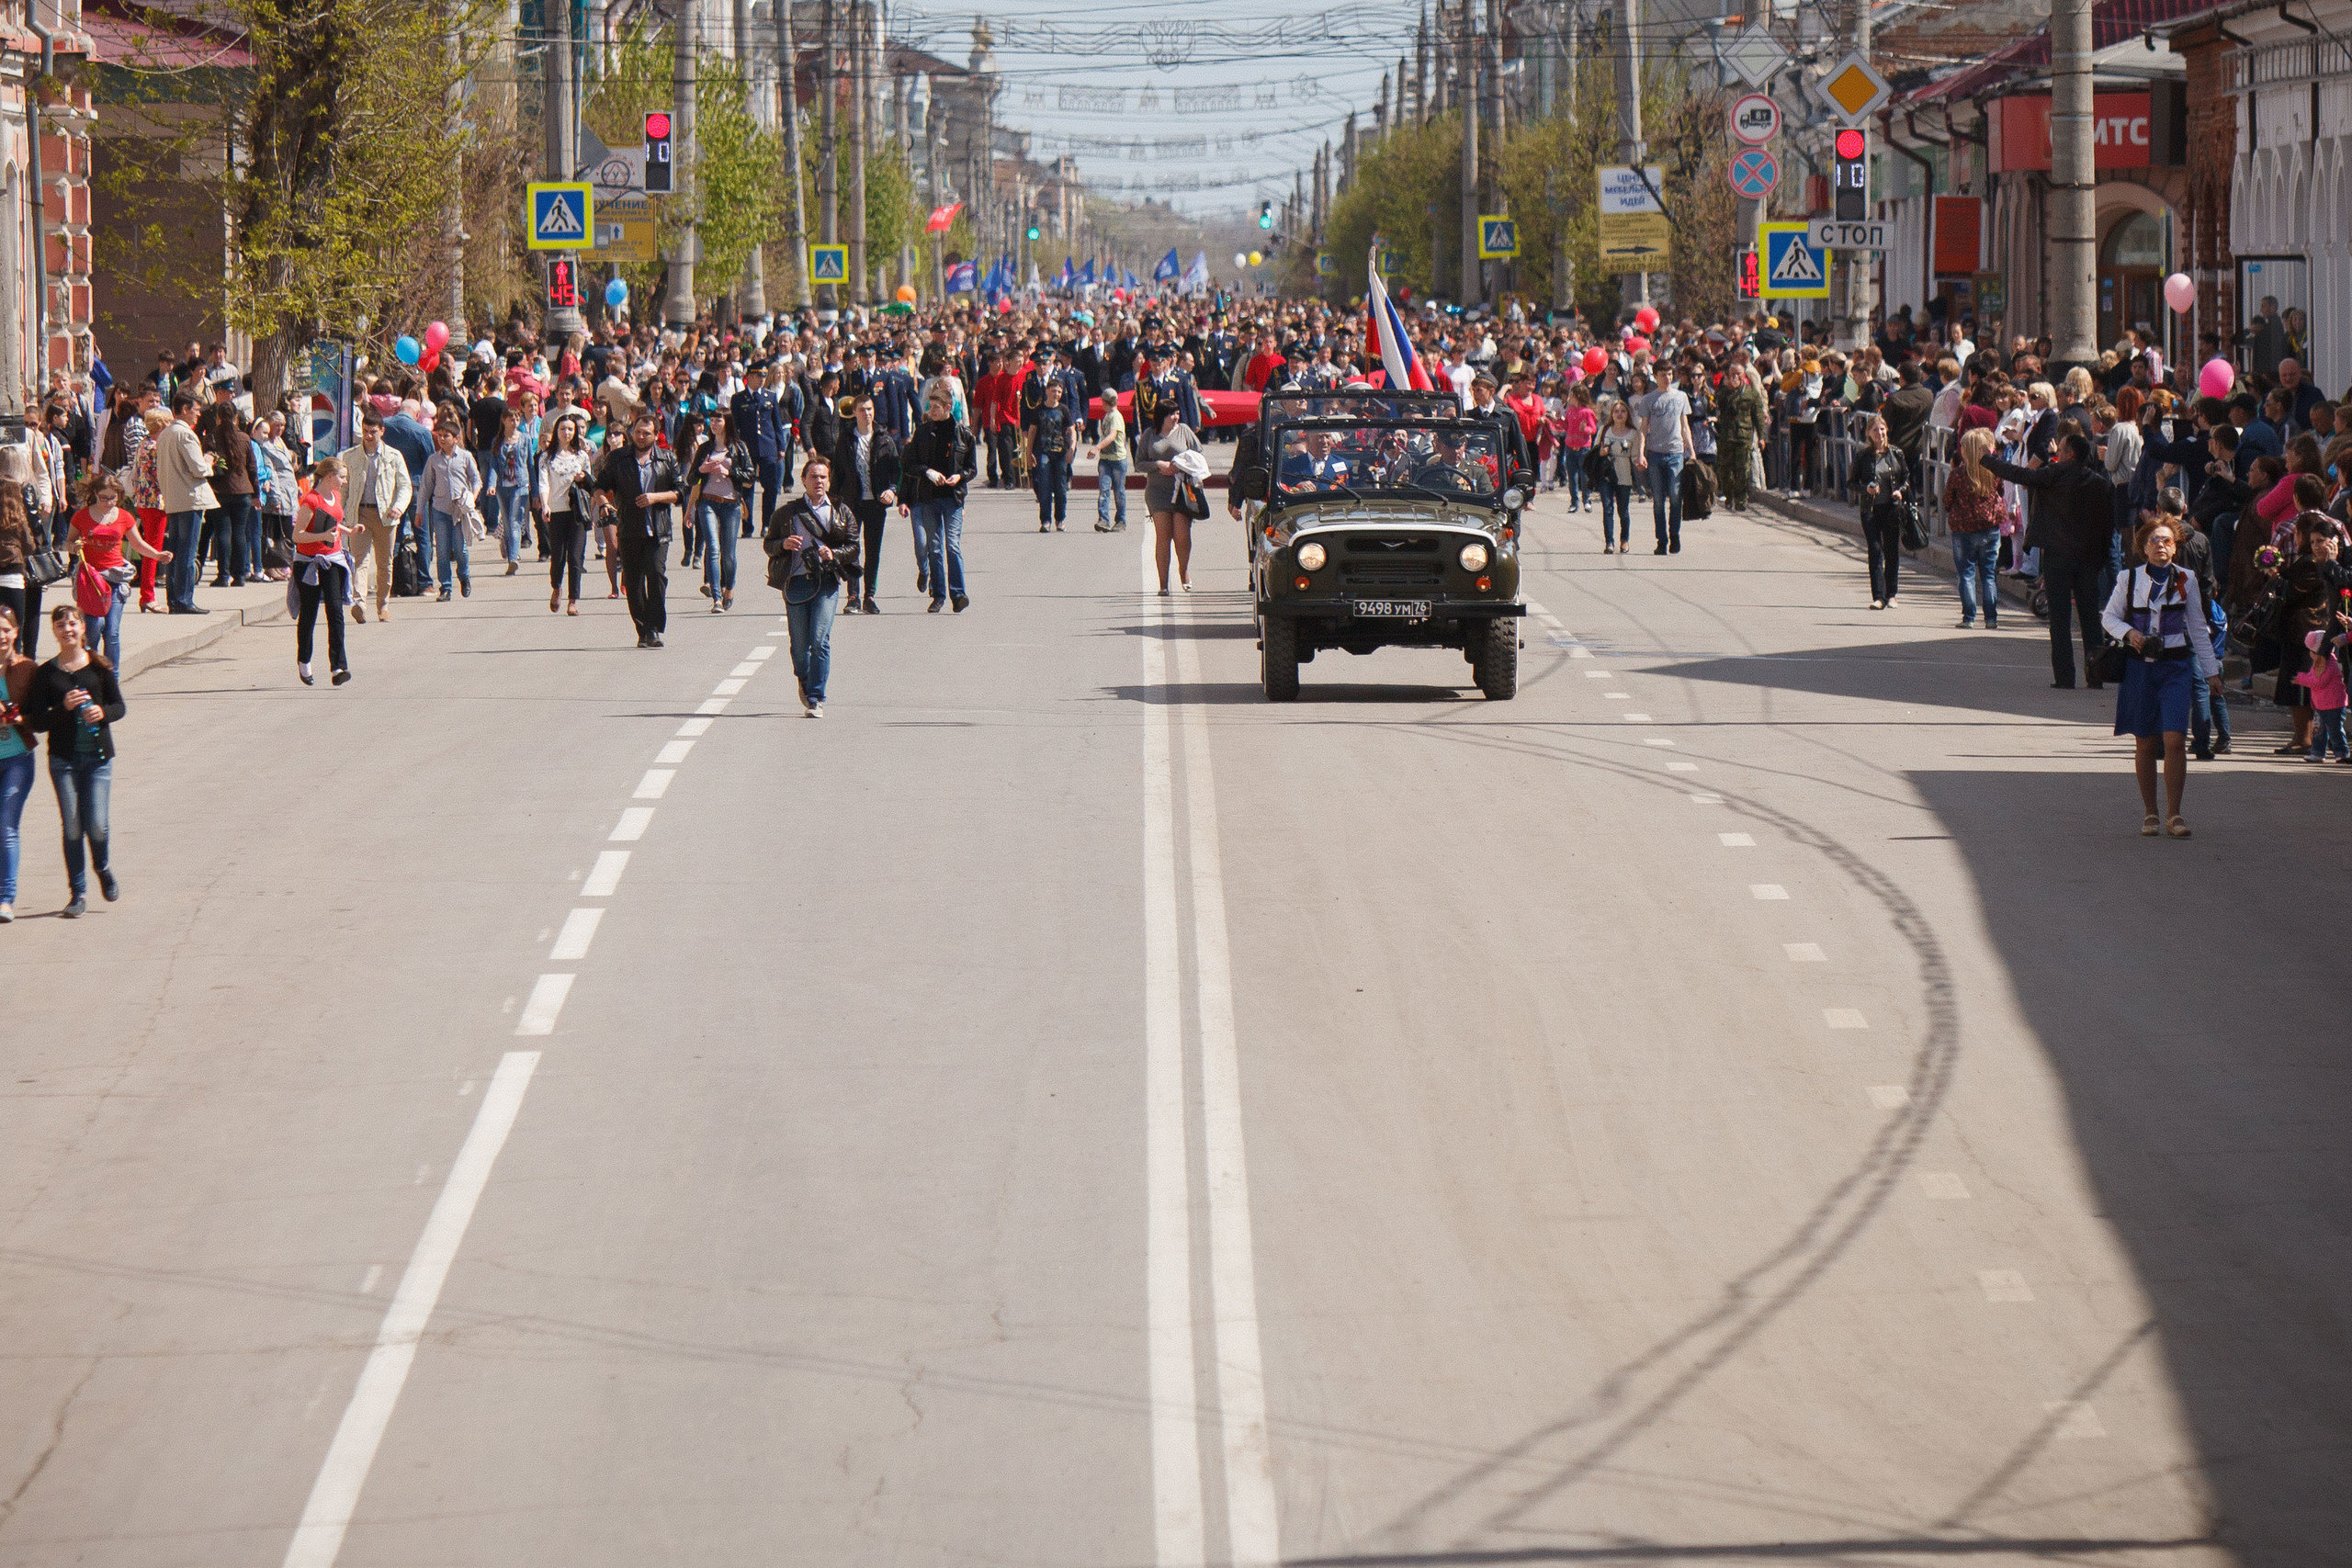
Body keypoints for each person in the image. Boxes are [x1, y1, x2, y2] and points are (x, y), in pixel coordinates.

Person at [2100, 516, 2221, 837]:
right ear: (2143, 547)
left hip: (2176, 667)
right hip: (2140, 668)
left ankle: (2174, 814)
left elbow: (2197, 627)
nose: (2160, 547)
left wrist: (2212, 672)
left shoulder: (2187, 579)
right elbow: (2109, 618)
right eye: (2154, 541)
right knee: (2145, 742)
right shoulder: (2128, 579)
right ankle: (2150, 813)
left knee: (2175, 740)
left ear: (2175, 547)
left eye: (2167, 541)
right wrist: (2130, 635)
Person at [1984, 432, 2116, 688]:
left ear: (2070, 454)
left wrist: (1988, 460)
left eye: (2062, 448)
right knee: (2090, 618)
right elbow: (2107, 526)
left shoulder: (2053, 475)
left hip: (2058, 557)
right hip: (2088, 559)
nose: (2058, 452)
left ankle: (2065, 677)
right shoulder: (2100, 483)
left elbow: (2020, 474)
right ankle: (2095, 675)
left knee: (2060, 618)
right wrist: (2100, 557)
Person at [21, 604, 124, 917]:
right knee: (72, 826)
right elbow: (36, 721)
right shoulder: (46, 673)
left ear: (82, 629)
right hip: (63, 759)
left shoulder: (99, 667)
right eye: (61, 625)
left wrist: (103, 713)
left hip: (98, 757)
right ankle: (77, 893)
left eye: (73, 623)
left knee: (96, 823)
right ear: (54, 632)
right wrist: (62, 707)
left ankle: (103, 868)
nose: (68, 629)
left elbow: (119, 706)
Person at [764, 454, 855, 715]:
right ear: (803, 480)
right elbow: (769, 544)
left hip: (826, 582)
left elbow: (853, 546)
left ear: (829, 481)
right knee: (799, 644)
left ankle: (816, 697)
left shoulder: (841, 511)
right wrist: (783, 544)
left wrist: (833, 554)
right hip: (795, 583)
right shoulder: (787, 513)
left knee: (820, 639)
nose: (818, 481)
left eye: (823, 477)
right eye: (813, 476)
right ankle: (804, 678)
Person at [597, 413, 683, 648]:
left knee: (656, 576)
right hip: (629, 529)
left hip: (658, 530)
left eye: (647, 433)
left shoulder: (667, 459)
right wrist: (604, 502)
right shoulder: (618, 459)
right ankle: (642, 630)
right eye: (638, 432)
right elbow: (600, 486)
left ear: (655, 436)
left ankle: (654, 628)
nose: (641, 437)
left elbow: (680, 492)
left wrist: (656, 497)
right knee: (633, 582)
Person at [68, 471, 168, 669]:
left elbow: (138, 544)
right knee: (93, 629)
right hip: (91, 580)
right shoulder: (81, 516)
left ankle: (111, 678)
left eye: (113, 498)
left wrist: (157, 555)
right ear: (95, 494)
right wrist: (74, 547)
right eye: (104, 498)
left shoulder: (124, 517)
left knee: (112, 631)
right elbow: (69, 541)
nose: (109, 502)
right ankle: (91, 670)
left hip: (115, 577)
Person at [902, 382, 976, 613]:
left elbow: (971, 468)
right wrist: (927, 472)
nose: (932, 411)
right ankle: (939, 595)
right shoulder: (923, 432)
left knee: (952, 545)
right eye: (930, 406)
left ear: (948, 407)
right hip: (929, 496)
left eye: (936, 407)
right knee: (934, 547)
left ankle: (959, 593)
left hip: (953, 497)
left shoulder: (963, 434)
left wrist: (959, 477)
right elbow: (909, 463)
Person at [338, 411, 413, 624]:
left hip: (385, 516)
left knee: (384, 563)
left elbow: (405, 486)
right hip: (359, 513)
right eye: (365, 431)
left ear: (382, 431)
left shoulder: (394, 456)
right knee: (359, 560)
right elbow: (345, 488)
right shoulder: (350, 456)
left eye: (373, 432)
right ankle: (360, 603)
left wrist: (398, 507)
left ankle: (383, 606)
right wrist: (340, 513)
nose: (368, 436)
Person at [287, 457, 355, 686]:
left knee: (335, 611)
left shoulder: (335, 496)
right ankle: (304, 662)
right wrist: (323, 537)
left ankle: (338, 666)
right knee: (309, 613)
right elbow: (298, 536)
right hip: (308, 562)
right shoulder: (311, 501)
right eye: (342, 477)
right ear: (329, 477)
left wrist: (348, 530)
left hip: (332, 558)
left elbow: (331, 523)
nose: (345, 482)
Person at [830, 392, 900, 613]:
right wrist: (833, 502)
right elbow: (837, 473)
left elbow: (896, 472)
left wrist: (892, 490)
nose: (867, 414)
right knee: (851, 550)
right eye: (862, 410)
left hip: (875, 503)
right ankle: (852, 596)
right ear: (854, 413)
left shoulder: (884, 438)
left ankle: (869, 595)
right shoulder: (846, 439)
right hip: (851, 502)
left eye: (869, 409)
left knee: (873, 550)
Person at [684, 409, 752, 612]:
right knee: (712, 548)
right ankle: (716, 598)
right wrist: (701, 471)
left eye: (718, 421)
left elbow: (749, 476)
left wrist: (729, 471)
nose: (713, 424)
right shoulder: (705, 448)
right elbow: (691, 479)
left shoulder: (739, 448)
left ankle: (728, 588)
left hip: (731, 504)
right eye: (711, 421)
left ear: (727, 423)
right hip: (707, 502)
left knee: (728, 553)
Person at [156, 390, 217, 615]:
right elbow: (198, 468)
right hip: (190, 499)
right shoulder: (186, 435)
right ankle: (184, 599)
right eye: (195, 410)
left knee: (175, 552)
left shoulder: (164, 434)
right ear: (183, 409)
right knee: (187, 554)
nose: (198, 415)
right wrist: (208, 461)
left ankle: (174, 598)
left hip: (173, 499)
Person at [1942, 427, 2004, 628]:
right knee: (1988, 575)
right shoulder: (1993, 473)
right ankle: (1991, 618)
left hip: (1963, 529)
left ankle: (1969, 617)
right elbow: (2001, 493)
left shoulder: (1959, 473)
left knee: (1966, 574)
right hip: (1989, 528)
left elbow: (1947, 500)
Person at [1849, 413, 1911, 610]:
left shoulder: (1896, 454)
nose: (1880, 433)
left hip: (1891, 509)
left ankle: (1891, 594)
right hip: (1870, 509)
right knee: (1875, 549)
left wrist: (1899, 491)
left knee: (1891, 550)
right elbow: (1851, 483)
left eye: (1882, 429)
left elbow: (1906, 478)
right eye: (1875, 430)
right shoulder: (1862, 456)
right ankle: (1878, 596)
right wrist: (1866, 488)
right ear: (1869, 433)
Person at [415, 421, 481, 603]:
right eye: (440, 435)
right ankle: (445, 587)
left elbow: (476, 480)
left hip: (460, 511)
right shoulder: (433, 460)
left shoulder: (466, 457)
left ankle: (464, 576)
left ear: (456, 438)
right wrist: (420, 511)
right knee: (442, 551)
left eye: (446, 436)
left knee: (461, 550)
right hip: (440, 510)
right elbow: (426, 486)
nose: (442, 439)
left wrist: (472, 498)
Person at [537, 411, 595, 615]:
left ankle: (573, 600)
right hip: (556, 510)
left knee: (576, 557)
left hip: (577, 512)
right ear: (556, 431)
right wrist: (545, 505)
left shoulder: (581, 456)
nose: (567, 432)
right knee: (558, 556)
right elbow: (543, 483)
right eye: (563, 429)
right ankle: (557, 587)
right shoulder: (546, 457)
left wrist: (583, 478)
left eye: (571, 429)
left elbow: (591, 484)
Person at [1142, 406, 1201, 595]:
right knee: (1163, 536)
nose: (1175, 417)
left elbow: (1199, 455)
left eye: (1177, 413)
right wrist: (1158, 465)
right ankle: (1163, 584)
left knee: (1182, 535)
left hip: (1182, 490)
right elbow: (1139, 463)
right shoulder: (1150, 434)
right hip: (1158, 492)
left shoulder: (1184, 431)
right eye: (1171, 414)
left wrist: (1182, 465)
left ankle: (1183, 571)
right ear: (1161, 416)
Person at [0, 602, 30, 921]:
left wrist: (18, 717)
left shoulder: (26, 669)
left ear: (15, 633)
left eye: (6, 630)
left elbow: (40, 713)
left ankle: (6, 898)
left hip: (17, 760)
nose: (1, 636)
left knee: (6, 827)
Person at [1026, 377, 1075, 533]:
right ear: (1047, 391)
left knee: (1061, 489)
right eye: (1054, 391)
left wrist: (1071, 449)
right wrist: (1029, 453)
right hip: (1043, 452)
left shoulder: (1064, 410)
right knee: (1044, 487)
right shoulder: (1039, 410)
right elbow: (1032, 432)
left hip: (1060, 453)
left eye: (1059, 391)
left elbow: (1072, 430)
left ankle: (1060, 519)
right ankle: (1045, 520)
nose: (1056, 394)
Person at [1597, 398, 1642, 554]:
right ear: (1612, 414)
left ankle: (1625, 540)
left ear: (1627, 414)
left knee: (1623, 510)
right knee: (1607, 508)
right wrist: (1600, 453)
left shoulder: (1633, 433)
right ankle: (1609, 542)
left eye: (1623, 411)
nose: (1619, 414)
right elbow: (1595, 450)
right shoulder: (1605, 430)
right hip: (1606, 475)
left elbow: (1635, 455)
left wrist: (1640, 463)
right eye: (1616, 411)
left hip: (1624, 475)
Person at [491, 408, 531, 576]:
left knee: (515, 521)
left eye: (516, 419)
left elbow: (530, 466)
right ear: (504, 421)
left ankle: (513, 559)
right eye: (511, 419)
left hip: (520, 485)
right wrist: (491, 485)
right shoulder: (498, 441)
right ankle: (508, 549)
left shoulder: (525, 439)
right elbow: (493, 465)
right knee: (507, 523)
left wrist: (535, 492)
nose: (514, 422)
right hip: (502, 486)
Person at [1091, 394, 1130, 533]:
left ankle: (1121, 520)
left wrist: (1097, 447)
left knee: (1119, 491)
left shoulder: (1115, 416)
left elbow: (1112, 436)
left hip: (1118, 459)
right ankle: (1103, 519)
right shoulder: (1108, 415)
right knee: (1104, 489)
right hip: (1105, 459)